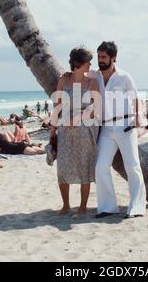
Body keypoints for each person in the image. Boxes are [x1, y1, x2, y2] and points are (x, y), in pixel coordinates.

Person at [91, 41, 146, 219]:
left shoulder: (124, 77)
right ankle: (108, 207)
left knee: (132, 166)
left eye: (104, 57)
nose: (100, 60)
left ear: (113, 58)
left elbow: (136, 98)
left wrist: (138, 116)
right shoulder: (94, 76)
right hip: (106, 128)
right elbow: (76, 74)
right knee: (100, 167)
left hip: (125, 126)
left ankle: (137, 207)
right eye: (99, 57)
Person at [50, 47, 101, 216]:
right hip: (65, 131)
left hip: (86, 131)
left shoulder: (91, 83)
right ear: (78, 63)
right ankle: (66, 205)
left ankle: (83, 206)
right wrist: (53, 130)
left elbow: (97, 108)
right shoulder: (63, 81)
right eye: (88, 62)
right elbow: (57, 106)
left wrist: (79, 118)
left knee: (84, 167)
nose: (90, 65)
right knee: (63, 167)